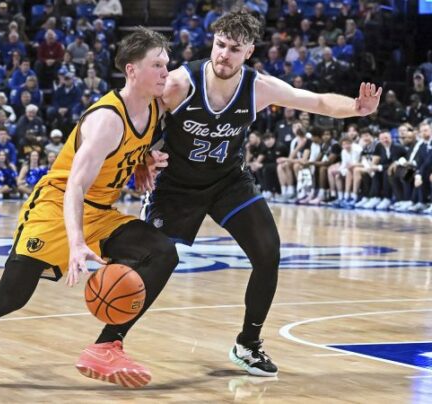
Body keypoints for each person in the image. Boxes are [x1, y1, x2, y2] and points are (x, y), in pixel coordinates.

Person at [0, 28, 176, 390]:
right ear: (131, 70)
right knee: (9, 297)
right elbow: (75, 185)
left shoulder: (155, 106)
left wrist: (141, 161)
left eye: (166, 64)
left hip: (102, 211)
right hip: (57, 207)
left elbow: (127, 151)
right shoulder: (107, 119)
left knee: (162, 253)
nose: (165, 72)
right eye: (157, 65)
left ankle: (108, 344)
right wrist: (76, 242)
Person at [133, 11, 382, 377]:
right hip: (177, 186)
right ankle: (111, 340)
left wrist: (356, 108)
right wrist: (142, 156)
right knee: (152, 264)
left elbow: (314, 101)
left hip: (228, 182)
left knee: (268, 252)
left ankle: (248, 344)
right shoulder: (178, 84)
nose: (224, 55)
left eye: (234, 49)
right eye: (220, 45)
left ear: (249, 51)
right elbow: (136, 116)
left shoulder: (258, 87)